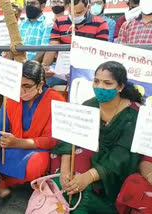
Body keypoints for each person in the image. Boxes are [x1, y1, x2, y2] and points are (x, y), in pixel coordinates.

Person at [0, 60, 66, 200]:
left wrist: (17, 143)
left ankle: (0, 183)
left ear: (40, 85)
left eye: (26, 86)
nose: (21, 91)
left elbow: (52, 141)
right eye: (18, 85)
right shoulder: (12, 96)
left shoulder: (56, 100)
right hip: (9, 144)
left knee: (38, 163)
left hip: (33, 149)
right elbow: (0, 127)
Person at [50, 61, 143, 213]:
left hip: (114, 168)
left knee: (85, 189)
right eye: (96, 81)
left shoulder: (132, 115)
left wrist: (89, 177)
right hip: (89, 159)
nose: (100, 87)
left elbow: (122, 155)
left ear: (120, 87)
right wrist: (65, 171)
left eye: (107, 83)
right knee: (67, 172)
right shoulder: (89, 105)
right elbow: (69, 137)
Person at [41, 0, 109, 87]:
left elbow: (99, 54)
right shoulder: (59, 22)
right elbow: (53, 47)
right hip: (62, 70)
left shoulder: (100, 24)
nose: (75, 15)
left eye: (79, 12)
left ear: (88, 8)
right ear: (66, 8)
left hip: (87, 70)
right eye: (71, 12)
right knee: (47, 82)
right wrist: (45, 66)